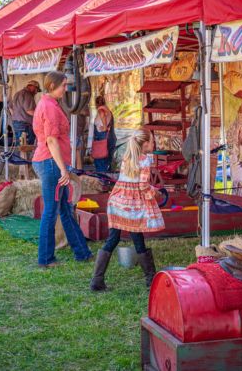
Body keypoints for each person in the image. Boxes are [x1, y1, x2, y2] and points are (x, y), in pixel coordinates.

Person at [32, 71, 93, 268]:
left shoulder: (49, 103)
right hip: (51, 163)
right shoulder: (49, 107)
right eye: (63, 85)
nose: (66, 89)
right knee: (51, 211)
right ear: (52, 86)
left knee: (66, 208)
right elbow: (51, 140)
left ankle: (82, 252)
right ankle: (46, 259)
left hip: (52, 162)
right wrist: (63, 169)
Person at [90, 129, 163, 291]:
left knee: (113, 239)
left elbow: (130, 181)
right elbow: (143, 186)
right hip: (131, 206)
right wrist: (155, 193)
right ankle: (151, 279)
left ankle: (97, 280)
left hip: (117, 202)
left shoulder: (127, 157)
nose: (154, 144)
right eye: (152, 141)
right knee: (137, 238)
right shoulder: (145, 160)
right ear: (145, 144)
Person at [11, 80, 39, 145]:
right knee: (27, 146)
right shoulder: (27, 95)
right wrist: (40, 116)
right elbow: (29, 111)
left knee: (18, 146)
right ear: (32, 87)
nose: (36, 92)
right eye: (36, 90)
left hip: (16, 124)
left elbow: (10, 108)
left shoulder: (17, 93)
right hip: (24, 125)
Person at [93, 96, 116, 172]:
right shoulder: (108, 110)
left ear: (96, 104)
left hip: (101, 137)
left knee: (100, 159)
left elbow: (102, 114)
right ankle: (106, 176)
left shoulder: (101, 110)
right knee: (107, 160)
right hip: (108, 137)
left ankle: (101, 177)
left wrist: (105, 127)